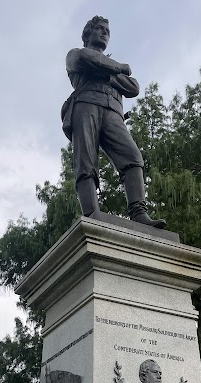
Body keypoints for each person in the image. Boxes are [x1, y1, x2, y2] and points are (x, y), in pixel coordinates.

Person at [62, 16, 166, 228]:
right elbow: (88, 59)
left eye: (107, 31)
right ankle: (92, 213)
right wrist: (119, 67)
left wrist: (107, 73)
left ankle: (139, 213)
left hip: (113, 113)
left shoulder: (105, 67)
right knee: (86, 161)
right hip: (85, 105)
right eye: (99, 29)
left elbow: (133, 88)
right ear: (87, 34)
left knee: (133, 157)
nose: (104, 33)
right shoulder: (76, 54)